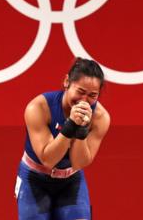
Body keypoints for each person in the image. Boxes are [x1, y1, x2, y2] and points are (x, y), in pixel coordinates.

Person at [15, 57, 111, 220]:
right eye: (80, 92)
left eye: (92, 95)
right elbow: (48, 159)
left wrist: (81, 130)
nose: (84, 100)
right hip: (34, 179)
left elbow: (79, 163)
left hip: (70, 181)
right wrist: (70, 126)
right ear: (66, 81)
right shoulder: (38, 108)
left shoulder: (100, 118)